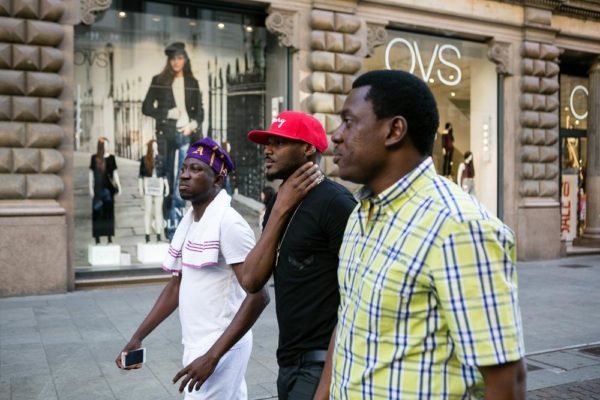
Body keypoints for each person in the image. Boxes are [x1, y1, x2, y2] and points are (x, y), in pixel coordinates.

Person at [316, 70, 525, 399]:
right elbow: (348, 321)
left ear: (394, 130)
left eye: (348, 121)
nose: (336, 135)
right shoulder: (361, 213)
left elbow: (505, 381)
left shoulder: (459, 227)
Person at [116, 138, 269, 399]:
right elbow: (177, 285)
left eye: (197, 169)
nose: (185, 175)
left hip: (221, 348)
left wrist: (212, 357)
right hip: (197, 343)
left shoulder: (229, 224)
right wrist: (138, 337)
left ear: (218, 180)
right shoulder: (191, 221)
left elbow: (259, 295)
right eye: (185, 168)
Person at [239, 111, 357, 400]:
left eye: (279, 142)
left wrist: (328, 385)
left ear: (307, 149)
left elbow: (358, 297)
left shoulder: (336, 203)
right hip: (287, 362)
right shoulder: (280, 202)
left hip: (321, 365)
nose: (268, 149)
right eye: (267, 142)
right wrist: (279, 209)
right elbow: (252, 280)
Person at [142, 42, 204, 239]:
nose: (176, 62)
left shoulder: (192, 82)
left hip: (187, 134)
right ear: (169, 61)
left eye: (180, 58)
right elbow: (146, 107)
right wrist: (166, 112)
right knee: (168, 180)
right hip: (167, 136)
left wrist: (192, 126)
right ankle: (170, 229)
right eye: (173, 58)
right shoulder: (159, 80)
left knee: (185, 182)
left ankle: (183, 228)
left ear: (185, 60)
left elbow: (200, 112)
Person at [89, 136, 121, 244]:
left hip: (108, 190)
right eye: (104, 145)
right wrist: (90, 188)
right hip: (98, 189)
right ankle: (97, 238)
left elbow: (115, 173)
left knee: (109, 213)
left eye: (107, 145)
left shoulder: (111, 158)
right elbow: (91, 174)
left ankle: (109, 237)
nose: (106, 147)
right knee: (97, 213)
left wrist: (119, 186)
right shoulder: (94, 158)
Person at [138, 139, 169, 243]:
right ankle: (147, 236)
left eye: (156, 147)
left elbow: (164, 174)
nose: (155, 149)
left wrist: (167, 186)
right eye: (153, 147)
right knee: (148, 211)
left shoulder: (161, 159)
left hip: (159, 186)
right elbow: (141, 175)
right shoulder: (144, 159)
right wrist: (140, 187)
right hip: (148, 185)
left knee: (158, 212)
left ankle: (159, 235)